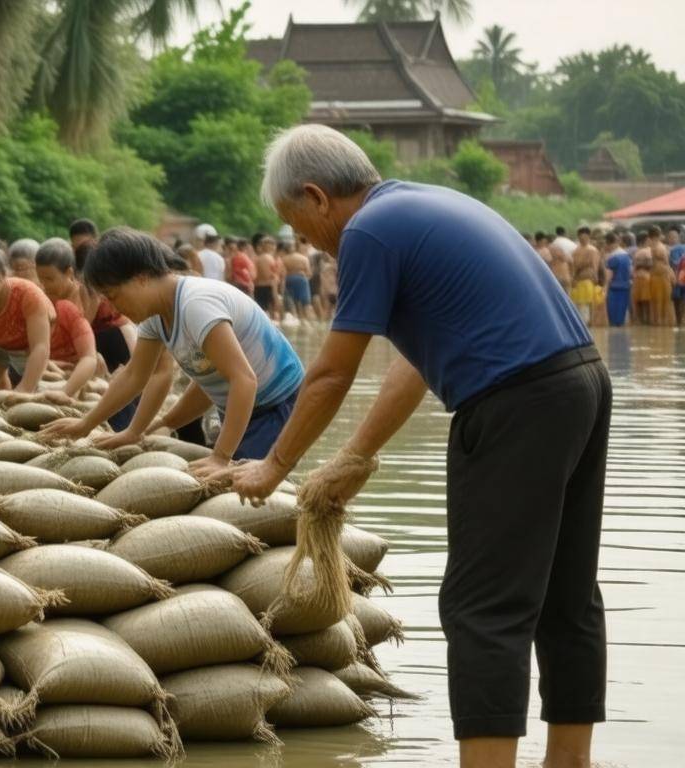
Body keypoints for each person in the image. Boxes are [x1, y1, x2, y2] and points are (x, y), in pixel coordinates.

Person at [227, 125, 607, 768]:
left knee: (481, 605)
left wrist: (275, 465)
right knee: (567, 594)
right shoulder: (420, 206)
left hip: (515, 401)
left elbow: (330, 372)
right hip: (579, 384)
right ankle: (570, 760)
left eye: (297, 223)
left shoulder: (370, 233)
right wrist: (357, 456)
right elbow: (415, 362)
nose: (303, 242)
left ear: (318, 197)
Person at [39, 228, 304, 475]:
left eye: (114, 296)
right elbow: (138, 376)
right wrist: (96, 426)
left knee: (239, 483)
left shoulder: (196, 305)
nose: (115, 308)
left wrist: (221, 458)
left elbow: (244, 380)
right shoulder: (156, 315)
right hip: (235, 403)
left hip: (278, 404)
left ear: (141, 278)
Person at [0, 245, 97, 398]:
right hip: (1, 345)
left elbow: (41, 347)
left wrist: (25, 389)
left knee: (36, 389)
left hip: (30, 350)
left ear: (4, 276)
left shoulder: (32, 296)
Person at [35, 238, 137, 430]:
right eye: (41, 279)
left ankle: (124, 431)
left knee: (119, 393)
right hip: (87, 351)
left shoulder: (86, 292)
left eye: (50, 278)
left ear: (69, 273)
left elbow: (85, 332)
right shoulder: (47, 297)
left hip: (111, 340)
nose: (45, 285)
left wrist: (68, 386)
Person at [643, 226, 674, 326]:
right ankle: (662, 323)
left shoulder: (654, 247)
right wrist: (672, 274)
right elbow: (666, 263)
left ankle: (660, 323)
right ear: (659, 235)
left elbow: (665, 263)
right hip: (659, 276)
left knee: (660, 301)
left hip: (659, 276)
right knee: (661, 301)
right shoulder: (658, 247)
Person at [569, 227, 600, 323]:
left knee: (589, 302)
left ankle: (590, 322)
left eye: (585, 237)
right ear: (578, 237)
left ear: (588, 237)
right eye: (581, 237)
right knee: (579, 303)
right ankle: (583, 323)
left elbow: (595, 265)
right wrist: (572, 278)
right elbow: (572, 266)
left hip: (588, 279)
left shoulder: (592, 250)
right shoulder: (575, 251)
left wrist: (595, 277)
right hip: (578, 280)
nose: (582, 239)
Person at [603, 233, 632, 327]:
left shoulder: (612, 257)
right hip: (625, 287)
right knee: (622, 314)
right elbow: (630, 272)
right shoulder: (626, 255)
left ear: (608, 244)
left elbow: (609, 275)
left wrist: (605, 289)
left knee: (613, 316)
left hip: (614, 288)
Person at [282, 238, 314, 321]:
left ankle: (299, 320)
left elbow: (282, 273)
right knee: (306, 304)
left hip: (288, 280)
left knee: (294, 302)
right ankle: (309, 322)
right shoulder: (303, 258)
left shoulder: (284, 259)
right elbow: (309, 273)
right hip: (301, 280)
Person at [252, 234, 282, 321]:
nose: (274, 247)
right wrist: (275, 293)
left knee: (263, 312)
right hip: (268, 287)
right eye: (273, 244)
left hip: (258, 287)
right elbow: (269, 276)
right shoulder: (267, 258)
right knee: (272, 313)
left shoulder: (258, 258)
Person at [631, 233, 653, 325]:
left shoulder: (637, 252)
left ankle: (641, 321)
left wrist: (639, 264)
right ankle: (647, 320)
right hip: (646, 278)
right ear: (646, 240)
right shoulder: (647, 251)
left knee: (639, 301)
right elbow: (650, 264)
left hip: (637, 278)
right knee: (646, 301)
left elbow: (635, 265)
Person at [667, 226, 685, 326]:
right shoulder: (669, 249)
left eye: (674, 237)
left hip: (678, 278)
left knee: (678, 301)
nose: (672, 239)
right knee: (679, 300)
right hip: (677, 278)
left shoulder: (674, 250)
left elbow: (674, 263)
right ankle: (680, 321)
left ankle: (680, 321)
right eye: (671, 237)